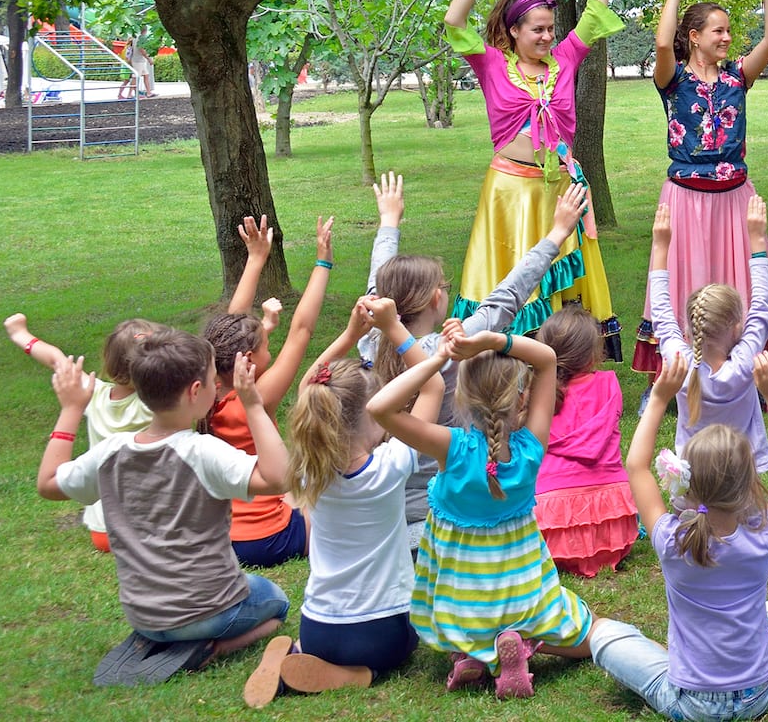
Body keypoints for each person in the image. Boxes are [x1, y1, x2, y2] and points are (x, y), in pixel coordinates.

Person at [40, 332, 291, 683]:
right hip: (210, 612)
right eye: (212, 381)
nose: (217, 387)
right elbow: (279, 478)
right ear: (194, 391)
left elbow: (48, 484)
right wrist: (252, 404)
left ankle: (165, 639)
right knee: (277, 605)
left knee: (244, 595)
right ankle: (209, 649)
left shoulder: (109, 452)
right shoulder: (202, 452)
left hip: (143, 615)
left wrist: (70, 409)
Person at [369, 325, 593, 699]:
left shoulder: (450, 448)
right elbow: (548, 359)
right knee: (587, 632)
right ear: (523, 399)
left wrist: (440, 357)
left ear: (461, 395)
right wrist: (492, 340)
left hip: (461, 604)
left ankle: (472, 652)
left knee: (469, 614)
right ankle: (515, 646)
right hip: (523, 598)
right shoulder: (531, 447)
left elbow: (379, 408)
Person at [362, 176, 589, 542]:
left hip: (385, 515)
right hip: (443, 516)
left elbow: (376, 289)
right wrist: (557, 234)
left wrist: (389, 222)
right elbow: (509, 294)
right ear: (437, 300)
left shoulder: (372, 338)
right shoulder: (453, 346)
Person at [440, 0, 622, 351]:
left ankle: (557, 357)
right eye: (537, 30)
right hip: (509, 191)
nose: (546, 37)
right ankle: (505, 354)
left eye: (550, 29)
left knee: (554, 274)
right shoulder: (491, 65)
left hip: (558, 189)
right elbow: (454, 21)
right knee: (511, 272)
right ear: (514, 31)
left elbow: (596, 10)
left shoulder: (565, 59)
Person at [590, 350, 768, 720]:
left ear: (686, 481)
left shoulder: (672, 540)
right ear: (749, 482)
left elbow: (636, 465)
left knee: (604, 634)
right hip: (757, 694)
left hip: (692, 704)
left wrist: (658, 397)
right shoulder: (765, 534)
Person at [630, 0, 768, 378]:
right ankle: (678, 370)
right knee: (686, 279)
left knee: (740, 279)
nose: (725, 38)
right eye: (717, 31)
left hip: (735, 196)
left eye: (727, 31)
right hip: (685, 196)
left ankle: (744, 369)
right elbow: (663, 41)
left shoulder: (737, 76)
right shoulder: (674, 79)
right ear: (695, 37)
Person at [248, 314, 428, 706]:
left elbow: (309, 385)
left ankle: (299, 651)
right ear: (374, 414)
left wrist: (350, 334)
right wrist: (394, 326)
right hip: (387, 633)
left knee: (321, 639)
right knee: (406, 645)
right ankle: (359, 674)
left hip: (320, 630)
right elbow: (432, 382)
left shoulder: (307, 471)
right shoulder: (392, 464)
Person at [202, 215, 335, 568]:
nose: (268, 345)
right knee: (325, 496)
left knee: (293, 480)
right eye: (264, 343)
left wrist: (255, 259)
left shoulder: (203, 396)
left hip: (222, 538)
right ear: (247, 359)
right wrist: (323, 261)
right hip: (271, 537)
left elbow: (228, 329)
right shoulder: (259, 398)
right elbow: (302, 329)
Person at [648, 197, 768, 471]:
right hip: (743, 474)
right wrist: (757, 240)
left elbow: (660, 311)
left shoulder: (679, 366)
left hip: (692, 475)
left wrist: (661, 247)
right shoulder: (745, 363)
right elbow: (762, 307)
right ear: (737, 327)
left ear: (689, 326)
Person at [6, 314, 157, 552]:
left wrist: (21, 335)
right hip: (145, 530)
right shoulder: (153, 405)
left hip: (102, 532)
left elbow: (56, 360)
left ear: (108, 361)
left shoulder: (92, 393)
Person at [534, 305, 637, 577]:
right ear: (594, 352)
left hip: (551, 530)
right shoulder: (609, 385)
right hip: (613, 530)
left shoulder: (537, 392)